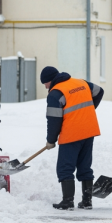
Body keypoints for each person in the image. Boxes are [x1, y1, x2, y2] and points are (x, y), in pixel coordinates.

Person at [41, 66, 104, 211]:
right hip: (89, 130)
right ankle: (87, 201)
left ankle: (67, 201)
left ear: (50, 81)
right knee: (84, 166)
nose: (45, 87)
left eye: (45, 83)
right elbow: (100, 91)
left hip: (72, 134)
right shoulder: (81, 83)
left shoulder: (55, 93)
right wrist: (88, 111)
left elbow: (53, 120)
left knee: (65, 168)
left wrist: (51, 140)